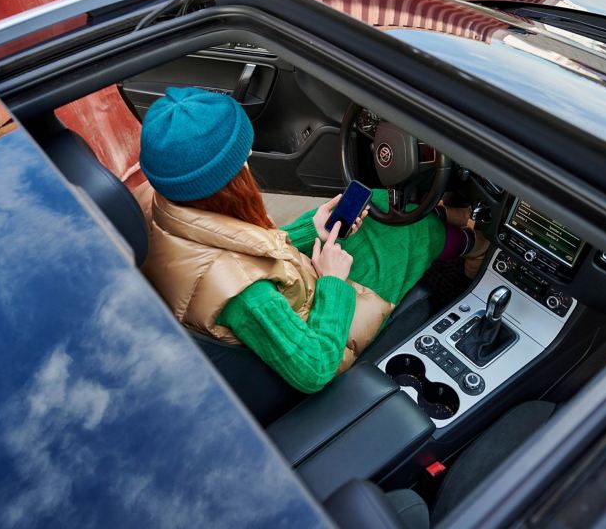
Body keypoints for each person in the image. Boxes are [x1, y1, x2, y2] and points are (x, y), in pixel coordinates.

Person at [140, 87, 485, 393]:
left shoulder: (161, 207)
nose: (247, 160)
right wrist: (333, 282)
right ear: (223, 183)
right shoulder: (247, 297)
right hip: (320, 321)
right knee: (408, 234)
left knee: (379, 204)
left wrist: (311, 232)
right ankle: (473, 245)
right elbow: (314, 369)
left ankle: (447, 218)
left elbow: (243, 252)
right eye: (241, 158)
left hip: (292, 285)